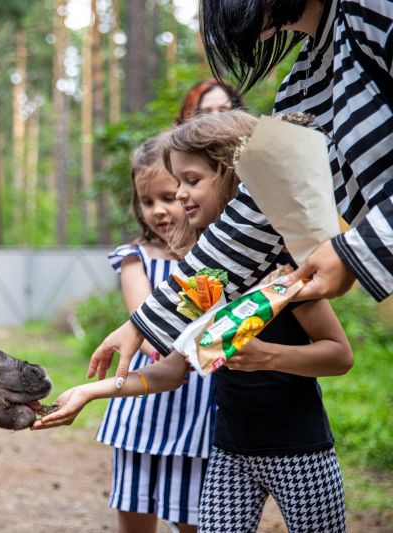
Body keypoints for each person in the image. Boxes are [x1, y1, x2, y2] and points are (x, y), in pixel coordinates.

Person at [34, 110, 353, 532]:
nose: (181, 195)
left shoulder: (285, 273)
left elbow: (339, 356)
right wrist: (89, 392)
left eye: (192, 180)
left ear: (233, 178)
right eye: (177, 182)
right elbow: (171, 369)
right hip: (229, 454)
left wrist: (268, 356)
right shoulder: (203, 285)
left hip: (301, 451)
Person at [89, 0, 393, 385]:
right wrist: (144, 324)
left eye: (192, 180)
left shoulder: (373, 9)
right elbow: (258, 214)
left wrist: (357, 250)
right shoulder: (302, 86)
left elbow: (336, 352)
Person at [96, 136, 210, 533]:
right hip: (142, 410)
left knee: (193, 518)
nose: (158, 210)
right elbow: (143, 324)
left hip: (198, 414)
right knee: (135, 518)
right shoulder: (135, 257)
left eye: (167, 197)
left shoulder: (215, 256)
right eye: (147, 202)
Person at [174, 78, 245, 125]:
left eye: (223, 110)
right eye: (207, 111)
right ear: (189, 115)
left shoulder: (250, 142)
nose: (215, 117)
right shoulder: (173, 147)